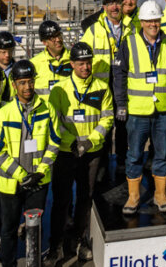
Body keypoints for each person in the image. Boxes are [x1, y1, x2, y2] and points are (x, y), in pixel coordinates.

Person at [113, 0, 166, 215]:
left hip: (163, 110)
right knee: (134, 155)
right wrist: (121, 104)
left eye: (156, 20)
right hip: (137, 112)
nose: (153, 24)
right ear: (142, 22)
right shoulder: (130, 42)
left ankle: (160, 194)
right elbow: (120, 75)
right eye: (149, 21)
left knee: (163, 154)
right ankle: (134, 195)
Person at [0, 59, 61, 267]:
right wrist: (22, 175)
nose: (27, 87)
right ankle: (8, 263)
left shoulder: (47, 109)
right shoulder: (4, 113)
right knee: (9, 228)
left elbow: (55, 142)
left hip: (38, 182)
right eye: (22, 82)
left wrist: (40, 172)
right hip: (10, 184)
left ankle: (33, 262)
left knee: (35, 228)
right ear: (14, 85)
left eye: (30, 81)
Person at [50, 42, 112, 264]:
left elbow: (107, 118)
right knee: (61, 200)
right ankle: (55, 245)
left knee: (85, 198)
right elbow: (55, 121)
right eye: (81, 63)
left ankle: (78, 239)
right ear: (72, 64)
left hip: (91, 152)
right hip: (66, 152)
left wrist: (89, 141)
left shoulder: (101, 86)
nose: (85, 67)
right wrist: (73, 142)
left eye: (88, 62)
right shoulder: (60, 89)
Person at [81, 0, 132, 180]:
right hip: (101, 88)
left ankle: (120, 162)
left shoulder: (131, 28)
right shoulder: (93, 30)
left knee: (123, 125)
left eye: (117, 3)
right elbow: (82, 58)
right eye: (110, 4)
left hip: (124, 85)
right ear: (103, 7)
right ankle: (100, 168)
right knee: (102, 126)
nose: (114, 7)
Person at [29, 20, 71, 96]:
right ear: (45, 42)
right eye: (52, 38)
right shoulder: (34, 64)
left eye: (59, 35)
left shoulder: (74, 59)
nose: (58, 39)